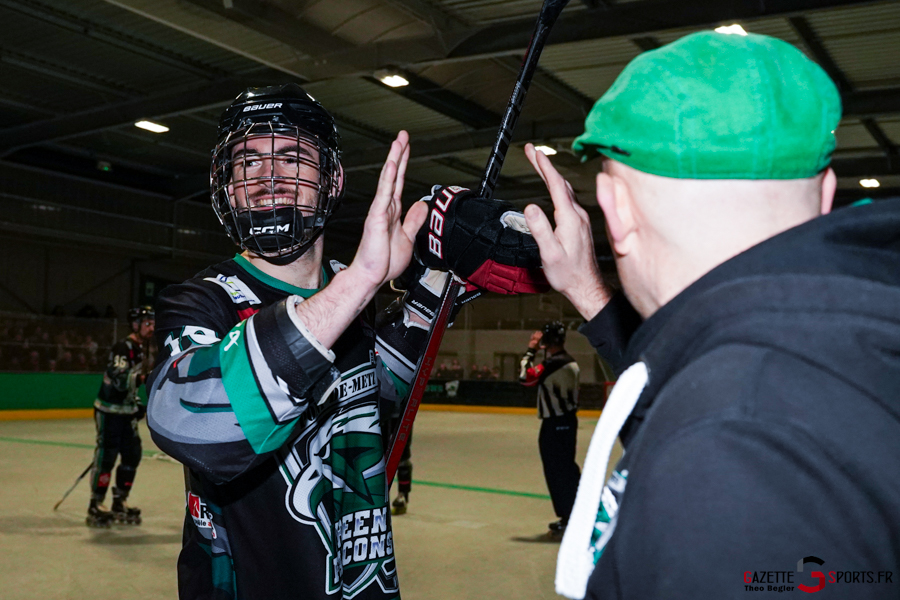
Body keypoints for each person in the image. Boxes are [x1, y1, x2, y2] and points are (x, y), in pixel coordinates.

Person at [521, 31, 900, 599]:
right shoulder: (851, 346)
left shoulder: (728, 454)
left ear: (615, 211)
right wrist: (586, 291)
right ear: (825, 194)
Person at [146, 83, 546, 600]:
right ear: (228, 186)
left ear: (332, 179)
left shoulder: (348, 287)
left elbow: (374, 395)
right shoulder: (203, 300)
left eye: (293, 158)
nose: (269, 176)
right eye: (248, 161)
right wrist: (361, 281)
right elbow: (186, 421)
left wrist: (435, 287)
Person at [86, 305, 155, 527]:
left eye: (153, 324)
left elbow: (129, 386)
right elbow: (118, 377)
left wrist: (136, 404)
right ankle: (96, 503)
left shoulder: (141, 348)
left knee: (132, 455)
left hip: (125, 411)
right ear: (135, 325)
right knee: (107, 457)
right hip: (109, 411)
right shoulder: (122, 348)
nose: (152, 328)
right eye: (147, 324)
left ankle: (119, 501)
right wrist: (144, 379)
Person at [519, 320, 580, 537]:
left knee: (558, 472)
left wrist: (531, 349)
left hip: (555, 423)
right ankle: (574, 514)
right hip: (566, 422)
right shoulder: (569, 361)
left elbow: (525, 377)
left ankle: (570, 517)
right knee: (567, 470)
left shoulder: (555, 362)